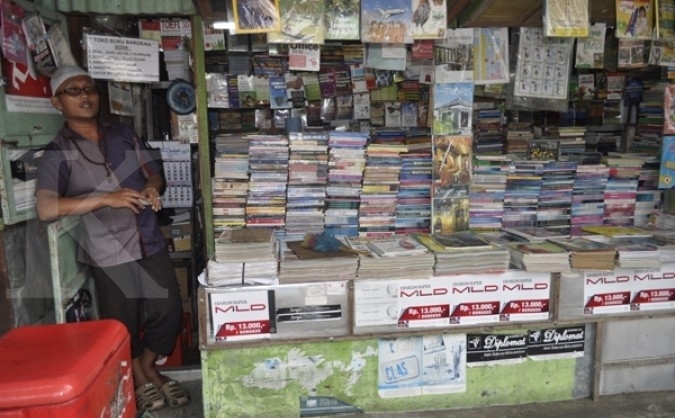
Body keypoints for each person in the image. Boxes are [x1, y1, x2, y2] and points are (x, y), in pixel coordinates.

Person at [35, 65, 190, 412]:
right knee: (123, 323)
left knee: (168, 311)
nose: (84, 96)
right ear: (57, 102)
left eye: (88, 89)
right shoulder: (57, 152)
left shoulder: (124, 134)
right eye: (72, 91)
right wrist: (106, 198)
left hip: (147, 238)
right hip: (107, 249)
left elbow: (155, 173)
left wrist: (151, 188)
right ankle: (137, 375)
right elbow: (46, 208)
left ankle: (149, 364)